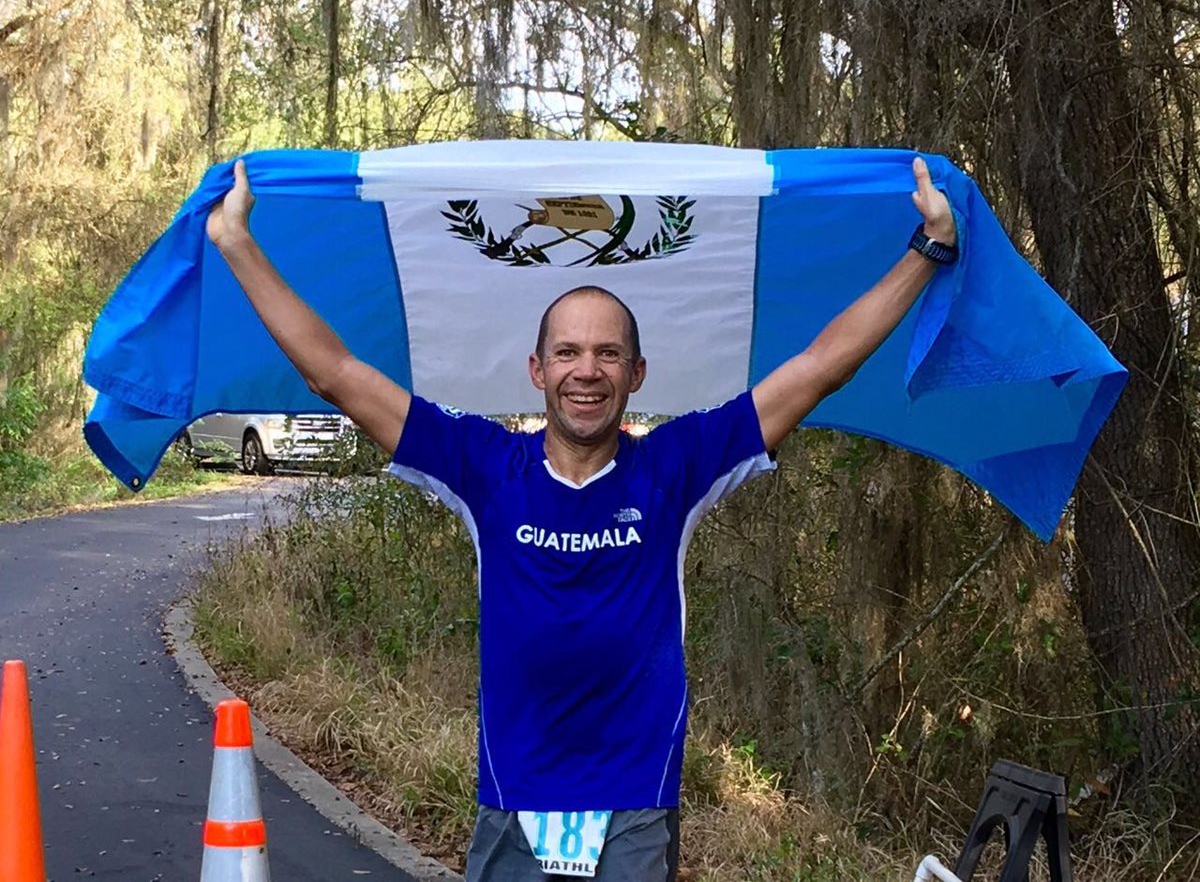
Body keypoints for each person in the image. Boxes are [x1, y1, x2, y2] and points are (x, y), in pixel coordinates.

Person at [206, 155, 957, 881]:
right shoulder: (483, 468)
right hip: (514, 793)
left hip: (635, 794)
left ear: (636, 374)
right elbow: (334, 373)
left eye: (607, 354)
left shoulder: (676, 467)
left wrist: (927, 249)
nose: (586, 370)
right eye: (567, 352)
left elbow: (822, 365)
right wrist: (238, 245)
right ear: (538, 371)